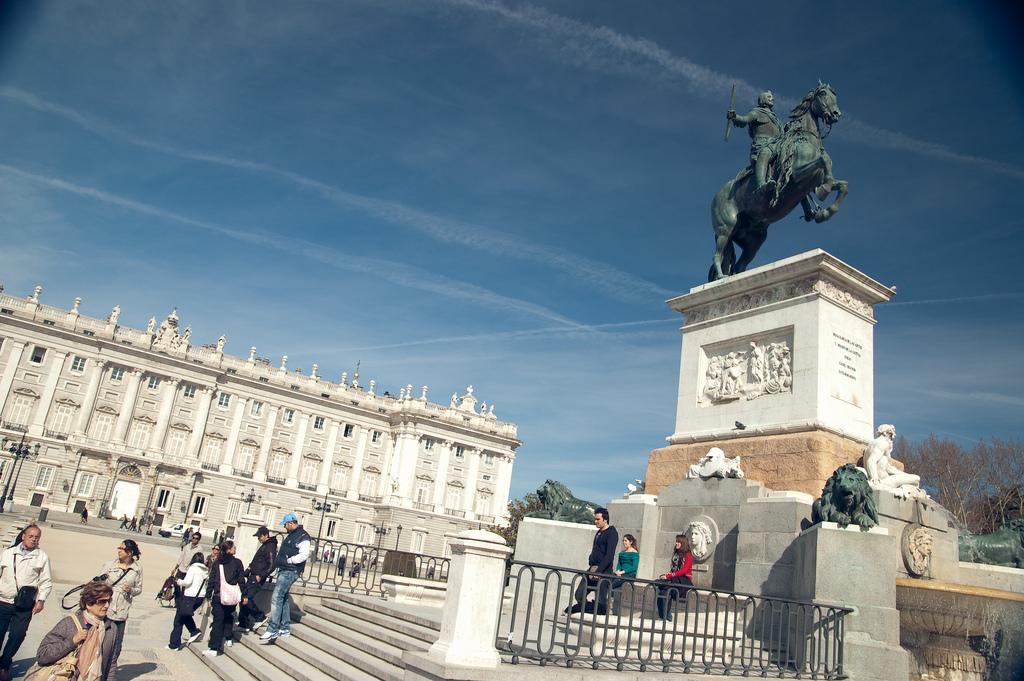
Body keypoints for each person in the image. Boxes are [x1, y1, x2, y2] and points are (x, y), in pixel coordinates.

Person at [0, 523, 52, 681]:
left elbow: (46, 581)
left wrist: (41, 600)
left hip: (24, 605)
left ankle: (4, 664)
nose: (34, 539)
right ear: (23, 536)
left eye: (37, 537)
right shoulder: (8, 553)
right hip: (4, 600)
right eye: (31, 536)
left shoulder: (42, 557)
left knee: (18, 635)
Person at [34, 581, 116, 681]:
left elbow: (111, 663)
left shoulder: (111, 628)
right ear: (88, 603)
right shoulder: (69, 624)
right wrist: (71, 642)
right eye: (102, 601)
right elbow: (42, 655)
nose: (107, 605)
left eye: (109, 601)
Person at [259, 513, 310, 644]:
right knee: (284, 598)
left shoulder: (303, 536)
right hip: (285, 568)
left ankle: (273, 628)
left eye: (285, 525)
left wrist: (290, 560)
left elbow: (304, 554)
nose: (284, 527)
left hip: (290, 570)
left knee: (277, 597)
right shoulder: (293, 534)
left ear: (291, 523)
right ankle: (285, 627)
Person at [96, 539, 142, 675]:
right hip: (105, 609)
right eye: (119, 548)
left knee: (116, 645)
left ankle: (109, 673)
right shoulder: (109, 565)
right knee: (101, 641)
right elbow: (98, 584)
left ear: (130, 553)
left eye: (122, 549)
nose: (119, 551)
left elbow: (139, 589)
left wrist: (131, 590)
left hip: (122, 611)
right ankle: (97, 670)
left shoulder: (137, 569)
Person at [727, 90, 783, 192]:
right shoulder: (757, 112)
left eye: (772, 97)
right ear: (763, 99)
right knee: (765, 153)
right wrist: (734, 116)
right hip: (762, 144)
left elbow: (783, 132)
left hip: (777, 145)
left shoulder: (777, 120)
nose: (772, 99)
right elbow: (744, 119)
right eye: (769, 97)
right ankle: (761, 185)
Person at [566, 508, 618, 616]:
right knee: (579, 594)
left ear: (605, 520)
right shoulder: (599, 533)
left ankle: (592, 613)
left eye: (598, 519)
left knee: (601, 601)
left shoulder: (612, 533)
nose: (596, 521)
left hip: (603, 572)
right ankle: (585, 608)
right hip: (592, 569)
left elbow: (609, 555)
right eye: (595, 519)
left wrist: (599, 571)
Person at [203, 541, 243, 657]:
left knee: (218, 620)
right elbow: (241, 580)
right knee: (228, 616)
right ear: (229, 550)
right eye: (233, 547)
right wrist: (244, 595)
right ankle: (228, 637)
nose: (235, 548)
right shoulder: (238, 563)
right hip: (231, 596)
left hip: (219, 595)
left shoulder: (218, 562)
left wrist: (208, 595)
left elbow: (212, 580)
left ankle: (214, 647)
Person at [238, 526, 277, 632]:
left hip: (257, 577)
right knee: (244, 597)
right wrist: (248, 569)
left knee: (248, 598)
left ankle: (260, 617)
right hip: (253, 575)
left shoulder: (270, 546)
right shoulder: (264, 545)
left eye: (260, 536)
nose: (258, 538)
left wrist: (262, 575)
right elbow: (256, 561)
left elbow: (272, 565)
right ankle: (243, 622)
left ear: (266, 535)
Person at [168, 553, 207, 650]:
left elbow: (187, 582)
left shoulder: (193, 568)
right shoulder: (205, 570)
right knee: (185, 615)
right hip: (200, 597)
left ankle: (175, 644)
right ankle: (193, 631)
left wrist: (178, 581)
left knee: (179, 619)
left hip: (190, 597)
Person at [656, 534, 694, 621]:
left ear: (683, 543)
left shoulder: (688, 555)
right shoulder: (676, 554)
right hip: (675, 578)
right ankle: (664, 616)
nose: (676, 543)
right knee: (662, 590)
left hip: (684, 579)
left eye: (678, 542)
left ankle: (667, 616)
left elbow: (684, 570)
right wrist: (667, 575)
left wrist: (669, 576)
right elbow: (673, 569)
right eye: (676, 542)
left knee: (666, 587)